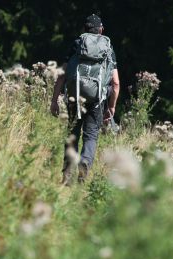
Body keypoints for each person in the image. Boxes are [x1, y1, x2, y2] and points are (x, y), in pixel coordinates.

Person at [50, 14, 120, 185]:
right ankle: (85, 164)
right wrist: (111, 107)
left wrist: (54, 100)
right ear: (101, 29)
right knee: (91, 136)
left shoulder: (77, 45)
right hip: (97, 100)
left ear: (85, 29)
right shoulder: (108, 48)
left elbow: (61, 76)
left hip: (75, 96)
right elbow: (116, 83)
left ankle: (67, 177)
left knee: (72, 135)